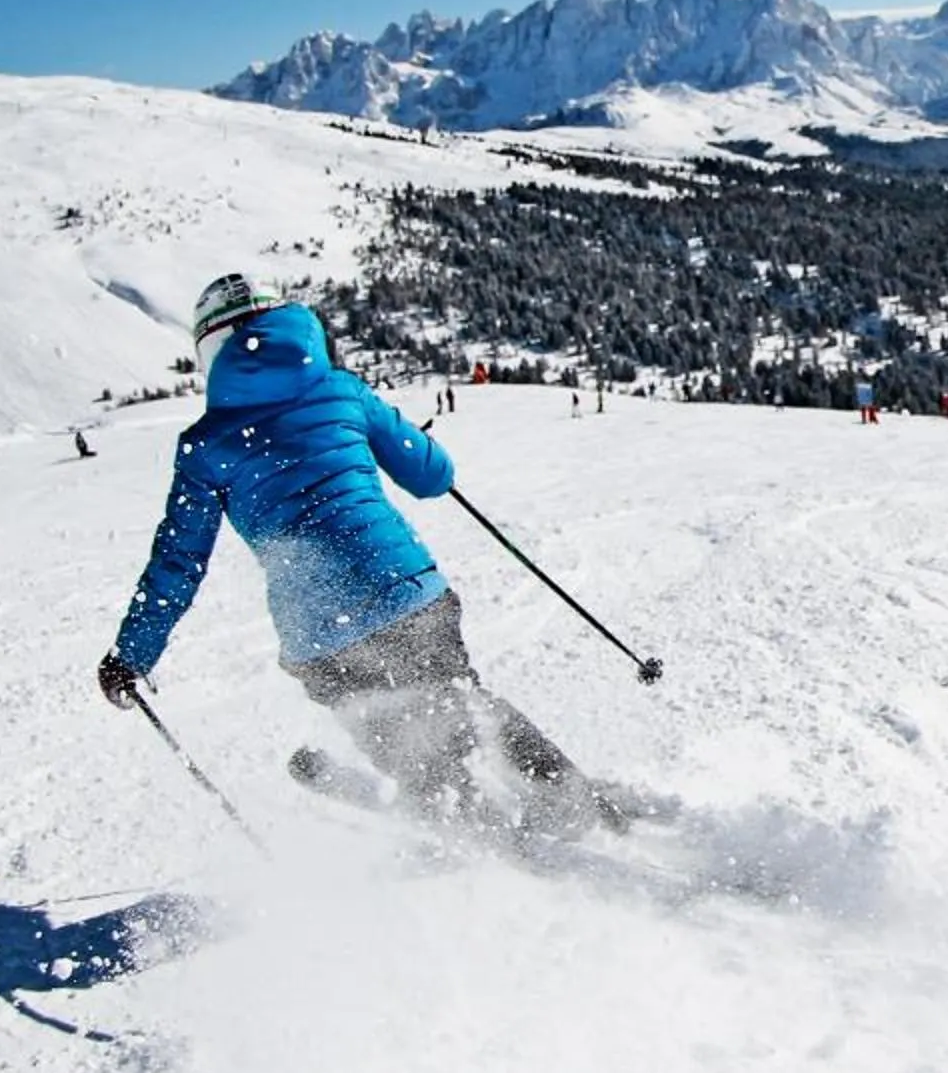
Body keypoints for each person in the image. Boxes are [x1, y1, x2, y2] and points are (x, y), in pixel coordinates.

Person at [99, 274, 619, 842]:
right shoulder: (341, 391)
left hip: (319, 633)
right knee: (464, 704)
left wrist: (132, 654)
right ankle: (572, 803)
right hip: (404, 590)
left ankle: (468, 826)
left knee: (398, 733)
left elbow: (177, 562)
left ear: (212, 350)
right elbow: (432, 475)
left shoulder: (206, 445)